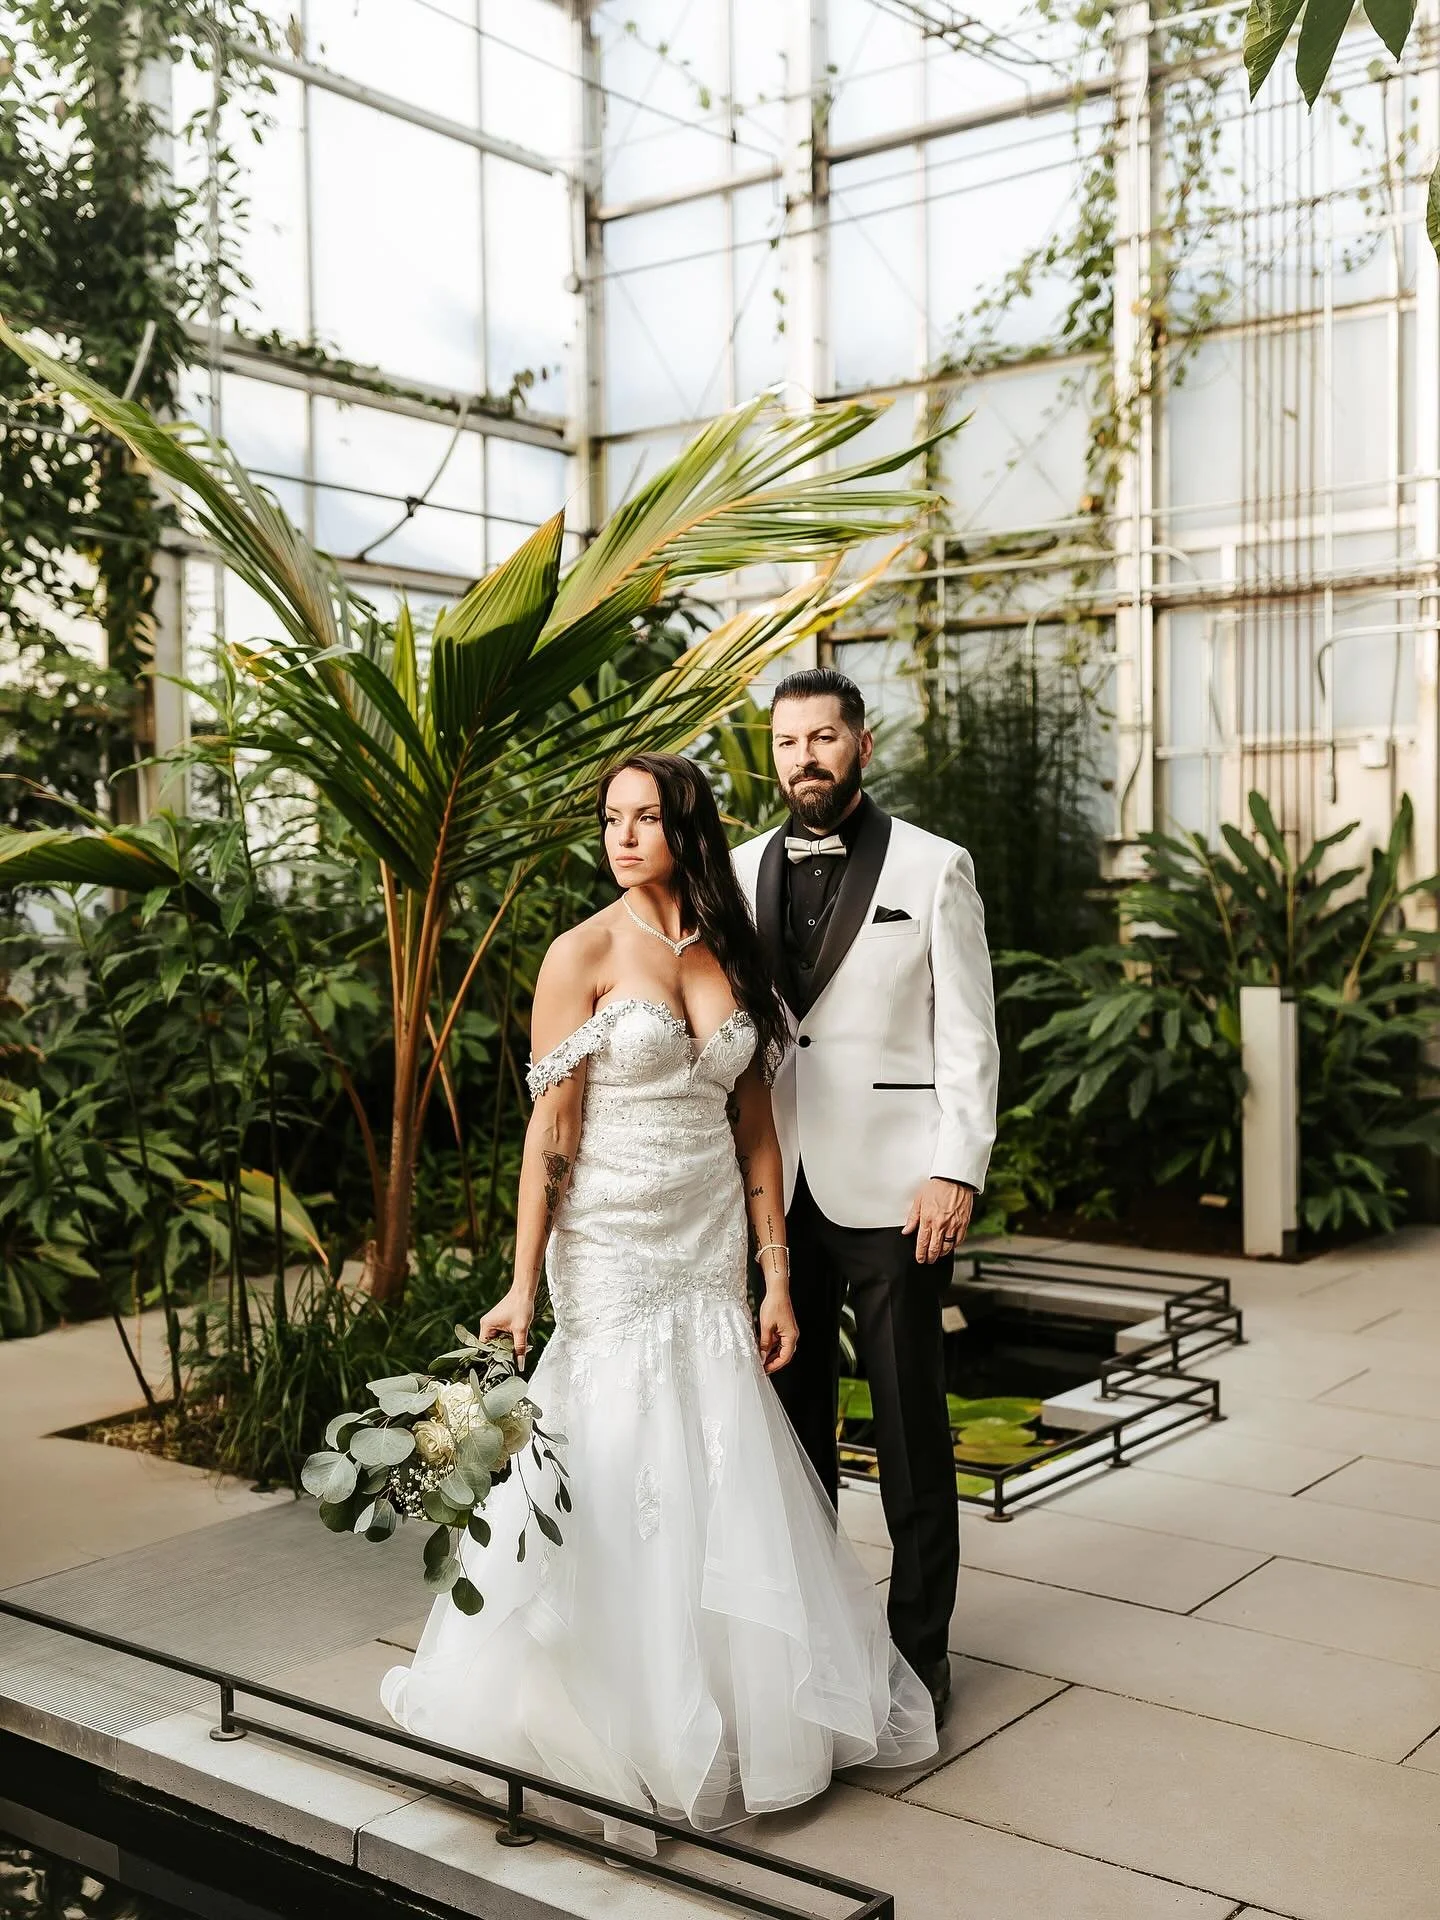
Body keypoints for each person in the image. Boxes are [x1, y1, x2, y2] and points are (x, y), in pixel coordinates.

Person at [381, 753, 936, 1841]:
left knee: (719, 1448)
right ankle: (610, 1714)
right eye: (610, 819)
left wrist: (778, 1276)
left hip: (708, 1243)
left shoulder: (734, 950)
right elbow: (550, 1130)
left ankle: (740, 1709)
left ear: (689, 828)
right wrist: (519, 1283)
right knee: (620, 1448)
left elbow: (759, 1128)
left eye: (646, 817)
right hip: (611, 1243)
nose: (623, 836)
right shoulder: (580, 951)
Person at [732, 668, 1000, 1729]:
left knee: (907, 1433)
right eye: (789, 740)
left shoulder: (937, 868)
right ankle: (816, 1647)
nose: (806, 756)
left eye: (825, 737)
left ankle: (919, 1654)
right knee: (792, 1445)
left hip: (897, 1190)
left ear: (862, 744)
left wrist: (957, 1165)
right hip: (775, 1193)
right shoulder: (738, 865)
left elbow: (970, 1035)